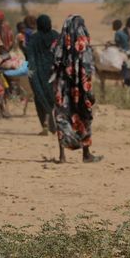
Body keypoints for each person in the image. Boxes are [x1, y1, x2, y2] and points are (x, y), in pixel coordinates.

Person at [52, 15, 101, 163]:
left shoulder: (58, 44)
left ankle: (62, 156)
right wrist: (88, 91)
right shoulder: (83, 43)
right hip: (80, 88)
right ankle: (86, 154)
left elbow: (54, 64)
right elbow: (86, 68)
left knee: (62, 118)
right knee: (84, 117)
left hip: (62, 86)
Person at [25, 15, 59, 134]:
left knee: (40, 96)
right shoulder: (56, 35)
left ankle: (45, 124)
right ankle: (53, 121)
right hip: (53, 71)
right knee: (53, 96)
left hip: (38, 72)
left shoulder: (34, 38)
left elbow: (29, 55)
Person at [112, 19, 130, 86]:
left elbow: (117, 44)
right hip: (128, 50)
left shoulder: (117, 33)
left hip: (123, 51)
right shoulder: (123, 33)